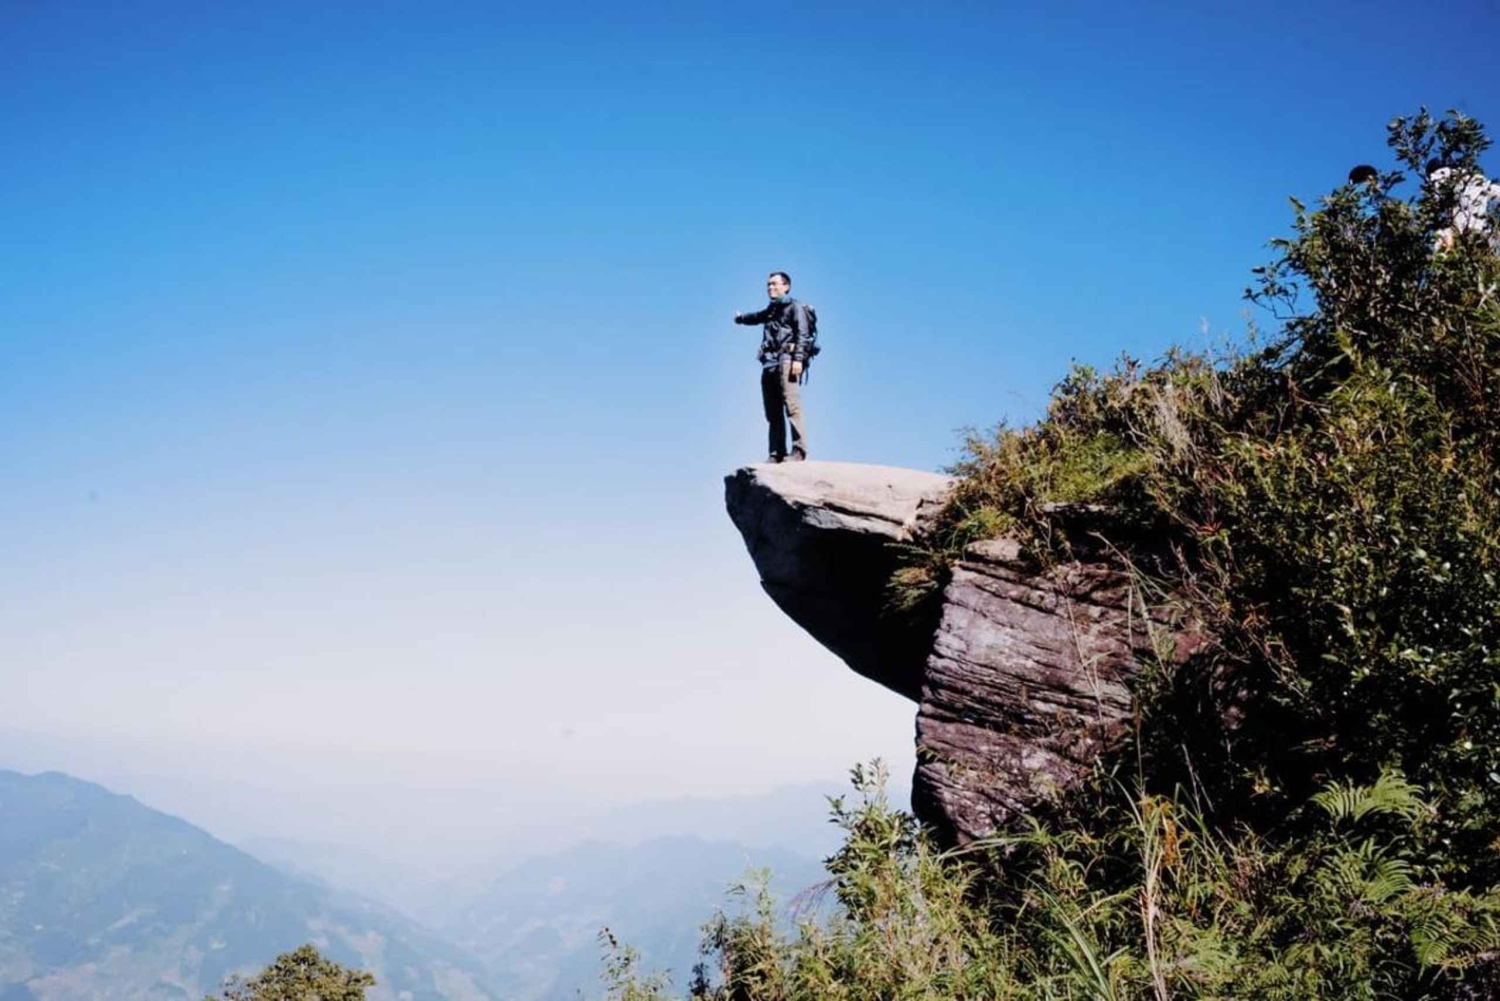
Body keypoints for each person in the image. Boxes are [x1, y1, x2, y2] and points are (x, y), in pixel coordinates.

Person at [734, 271, 811, 463]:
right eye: (768, 284)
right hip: (769, 363)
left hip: (787, 360)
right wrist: (741, 319)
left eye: (775, 284)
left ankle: (799, 450)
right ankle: (776, 452)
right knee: (772, 410)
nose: (770, 288)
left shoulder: (795, 307)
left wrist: (798, 359)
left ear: (786, 286)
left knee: (792, 406)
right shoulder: (771, 310)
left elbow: (803, 333)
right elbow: (757, 317)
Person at [1427, 158, 1500, 251]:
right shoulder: (1476, 180)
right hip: (1480, 231)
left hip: (1459, 234)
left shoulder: (1438, 176)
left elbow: (1437, 200)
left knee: (1442, 241)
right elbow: (1495, 191)